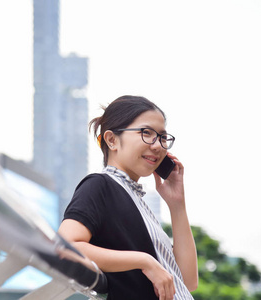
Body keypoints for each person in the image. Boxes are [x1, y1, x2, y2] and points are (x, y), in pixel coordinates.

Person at [58, 95, 198, 300]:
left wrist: (177, 205)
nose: (158, 145)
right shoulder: (100, 185)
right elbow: (65, 247)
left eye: (162, 137)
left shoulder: (137, 200)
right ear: (112, 140)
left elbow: (187, 281)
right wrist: (144, 261)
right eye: (146, 133)